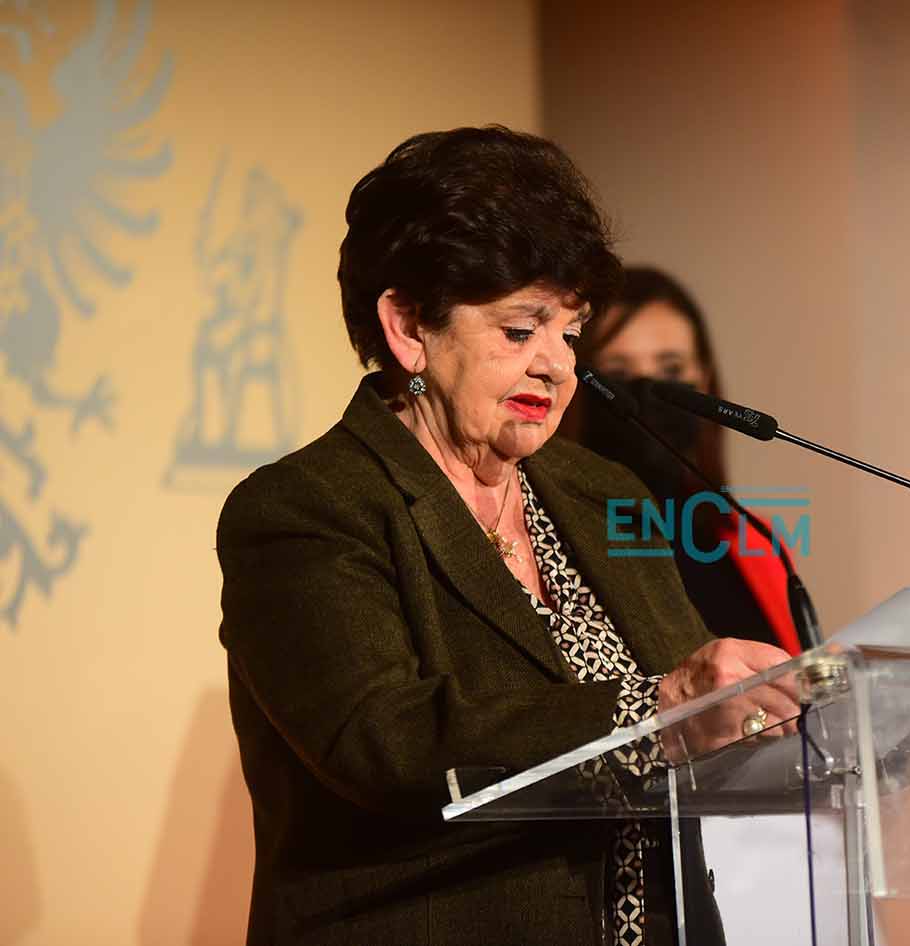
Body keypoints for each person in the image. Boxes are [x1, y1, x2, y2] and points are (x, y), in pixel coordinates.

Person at [216, 127, 797, 945]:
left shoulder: (603, 493)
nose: (557, 365)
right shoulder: (306, 508)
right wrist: (658, 708)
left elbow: (700, 726)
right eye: (521, 330)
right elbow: (383, 742)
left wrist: (822, 715)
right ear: (408, 327)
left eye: (569, 332)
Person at [568, 268, 802, 655]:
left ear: (704, 381)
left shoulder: (755, 540)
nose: (647, 391)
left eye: (672, 370)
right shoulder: (550, 542)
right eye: (618, 372)